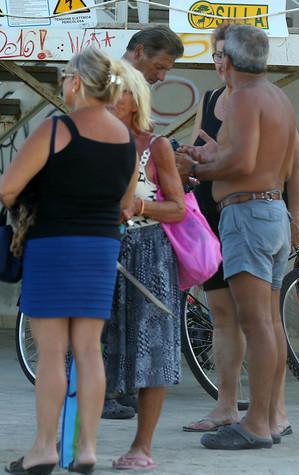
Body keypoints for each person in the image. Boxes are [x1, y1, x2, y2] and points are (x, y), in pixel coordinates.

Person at [0, 47, 137, 474]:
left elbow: (6, 189)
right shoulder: (125, 137)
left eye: (63, 77)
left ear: (76, 81)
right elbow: (125, 203)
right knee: (89, 350)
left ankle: (44, 448)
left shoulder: (56, 129)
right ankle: (87, 448)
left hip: (53, 245)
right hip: (101, 248)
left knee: (52, 352)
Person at [178, 25, 299, 439]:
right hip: (268, 212)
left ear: (231, 60)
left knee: (255, 324)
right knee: (264, 322)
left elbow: (243, 163)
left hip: (248, 214)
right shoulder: (277, 96)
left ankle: (257, 422)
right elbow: (261, 158)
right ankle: (264, 419)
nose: (219, 63)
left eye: (221, 56)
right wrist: (211, 154)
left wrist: (194, 168)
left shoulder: (244, 98)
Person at [97, 25, 188, 421]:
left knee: (144, 324)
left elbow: (174, 205)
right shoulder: (102, 92)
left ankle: (127, 390)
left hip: (142, 239)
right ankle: (105, 390)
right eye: (158, 67)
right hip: (104, 237)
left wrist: (139, 205)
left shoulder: (151, 143)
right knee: (101, 323)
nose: (161, 77)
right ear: (137, 52)